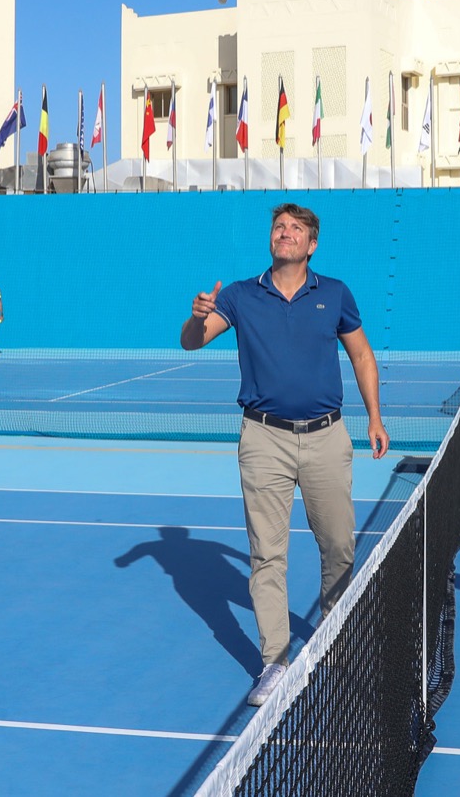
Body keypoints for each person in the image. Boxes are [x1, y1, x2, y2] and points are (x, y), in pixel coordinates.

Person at [179, 203, 390, 707]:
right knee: (267, 556)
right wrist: (195, 318)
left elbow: (362, 355)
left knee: (338, 546)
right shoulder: (239, 296)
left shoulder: (335, 293)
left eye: (296, 229)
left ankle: (336, 638)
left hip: (327, 438)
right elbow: (191, 343)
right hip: (263, 440)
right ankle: (274, 661)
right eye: (279, 227)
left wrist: (375, 418)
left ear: (311, 244)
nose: (285, 233)